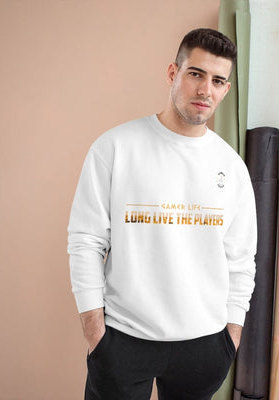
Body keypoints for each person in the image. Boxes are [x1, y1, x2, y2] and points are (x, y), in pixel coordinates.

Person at [67, 28, 257, 400]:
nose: (205, 90)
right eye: (196, 74)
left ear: (226, 90)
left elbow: (241, 260)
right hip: (122, 339)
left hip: (205, 345)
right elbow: (86, 241)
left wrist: (230, 337)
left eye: (218, 81)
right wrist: (94, 331)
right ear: (173, 73)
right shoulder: (116, 147)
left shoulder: (232, 167)